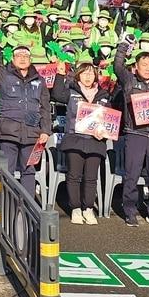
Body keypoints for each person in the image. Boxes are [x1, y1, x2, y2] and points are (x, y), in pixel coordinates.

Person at [0, 43, 52, 199]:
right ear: (12, 58)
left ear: (31, 59)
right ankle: (5, 203)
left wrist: (45, 130)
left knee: (29, 171)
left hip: (32, 133)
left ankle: (27, 207)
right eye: (19, 56)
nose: (23, 59)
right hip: (8, 132)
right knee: (6, 170)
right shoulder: (3, 75)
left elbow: (45, 107)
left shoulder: (40, 80)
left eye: (26, 56)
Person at [112, 35, 149, 228]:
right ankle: (129, 210)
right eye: (143, 64)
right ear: (136, 66)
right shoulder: (129, 80)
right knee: (132, 174)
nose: (147, 68)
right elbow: (118, 66)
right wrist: (123, 47)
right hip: (135, 133)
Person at [50, 62, 113, 224]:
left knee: (91, 178)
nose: (88, 77)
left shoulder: (104, 95)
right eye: (84, 73)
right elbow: (56, 94)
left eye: (91, 74)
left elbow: (109, 119)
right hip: (75, 139)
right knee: (74, 176)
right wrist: (60, 75)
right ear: (78, 75)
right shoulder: (71, 92)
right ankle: (76, 209)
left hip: (95, 142)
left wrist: (104, 133)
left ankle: (89, 209)